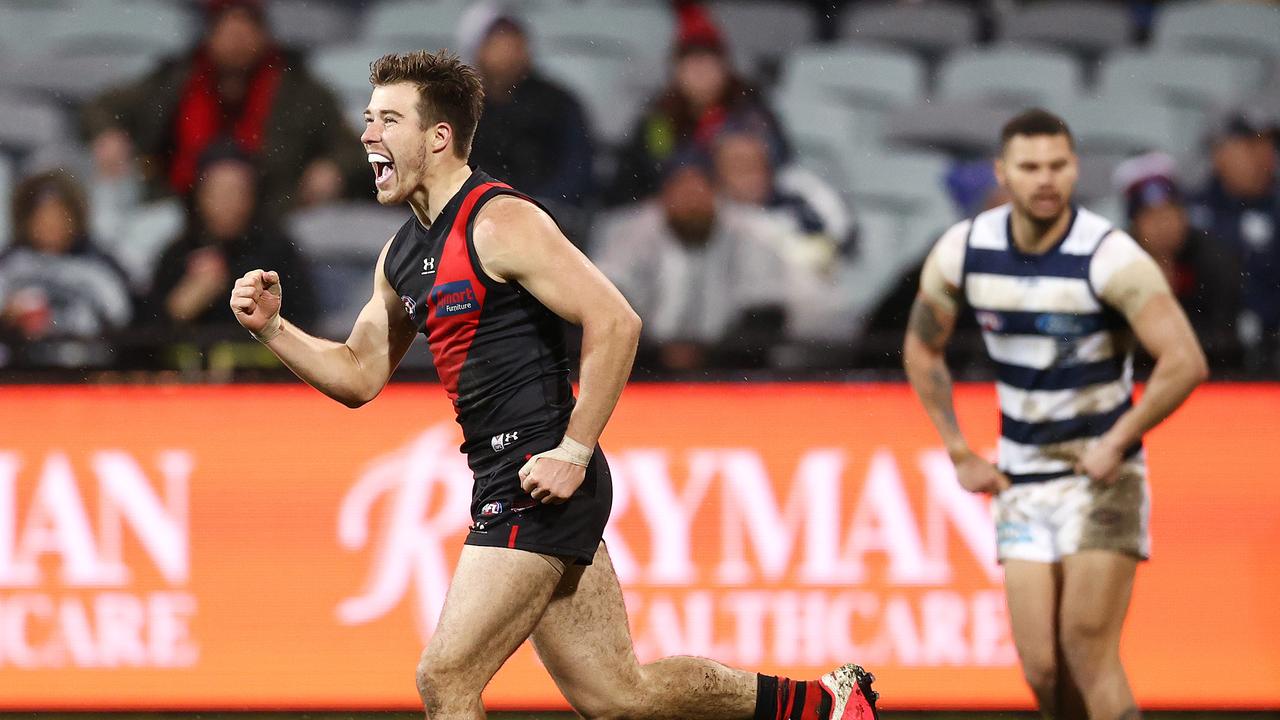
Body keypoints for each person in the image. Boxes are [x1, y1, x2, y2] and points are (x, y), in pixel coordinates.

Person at [228, 50, 878, 720]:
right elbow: (358, 376)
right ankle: (825, 705)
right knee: (622, 697)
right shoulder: (402, 256)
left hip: (537, 479)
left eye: (388, 119)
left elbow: (617, 322)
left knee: (444, 679)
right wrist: (275, 330)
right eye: (368, 119)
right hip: (513, 480)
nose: (366, 135)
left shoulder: (501, 220)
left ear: (438, 136)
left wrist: (573, 450)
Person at [902, 109, 1207, 720]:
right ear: (1003, 173)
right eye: (1031, 167)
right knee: (1042, 667)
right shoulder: (965, 250)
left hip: (1102, 476)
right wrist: (958, 449)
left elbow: (1185, 360)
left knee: (1088, 650)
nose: (1046, 179)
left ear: (1075, 169)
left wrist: (1118, 439)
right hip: (1020, 479)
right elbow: (921, 345)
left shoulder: (1109, 257)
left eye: (1058, 165)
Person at [81, 0, 367, 220]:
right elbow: (103, 107)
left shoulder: (299, 89)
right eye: (228, 28)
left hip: (273, 215)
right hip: (178, 210)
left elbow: (351, 148)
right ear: (211, 34)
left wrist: (333, 169)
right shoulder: (176, 81)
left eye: (246, 29)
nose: (237, 40)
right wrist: (107, 134)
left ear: (262, 34)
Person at [594, 150, 790, 371]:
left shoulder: (751, 233)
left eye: (700, 189)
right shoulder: (631, 231)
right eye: (682, 190)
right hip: (643, 364)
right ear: (665, 194)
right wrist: (658, 350)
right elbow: (606, 300)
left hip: (728, 367)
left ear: (716, 192)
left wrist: (709, 353)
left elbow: (765, 312)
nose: (692, 201)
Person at [605, 4, 788, 206]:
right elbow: (645, 171)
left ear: (724, 67)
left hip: (742, 211)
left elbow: (775, 166)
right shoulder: (660, 119)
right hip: (673, 216)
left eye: (708, 63)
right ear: (676, 70)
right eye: (691, 64)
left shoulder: (751, 114)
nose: (700, 74)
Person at [148, 143, 315, 333]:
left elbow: (306, 327)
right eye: (218, 190)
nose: (228, 201)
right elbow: (140, 339)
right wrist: (178, 308)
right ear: (199, 195)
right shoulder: (178, 254)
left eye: (237, 190)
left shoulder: (278, 253)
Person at [1113, 153, 1241, 371]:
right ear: (1134, 224)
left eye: (1170, 213)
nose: (1163, 225)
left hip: (1213, 380)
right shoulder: (1116, 263)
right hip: (1136, 377)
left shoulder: (1213, 260)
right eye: (1152, 216)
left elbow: (1226, 337)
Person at [462, 5, 594, 208]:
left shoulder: (557, 102)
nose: (508, 52)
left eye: (514, 42)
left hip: (548, 211)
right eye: (497, 42)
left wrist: (533, 205)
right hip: (473, 212)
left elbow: (576, 168)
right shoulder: (458, 106)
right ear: (478, 50)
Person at [0, 170, 132, 368]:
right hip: (22, 375)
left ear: (75, 218)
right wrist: (8, 315)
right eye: (42, 216)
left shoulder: (100, 263)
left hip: (89, 374)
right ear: (26, 220)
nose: (50, 225)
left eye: (59, 215)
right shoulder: (9, 263)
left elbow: (123, 317)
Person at [1187, 110, 1280, 374]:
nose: (1264, 156)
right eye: (1250, 146)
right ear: (1220, 154)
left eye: (1269, 147)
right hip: (1209, 353)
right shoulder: (1192, 212)